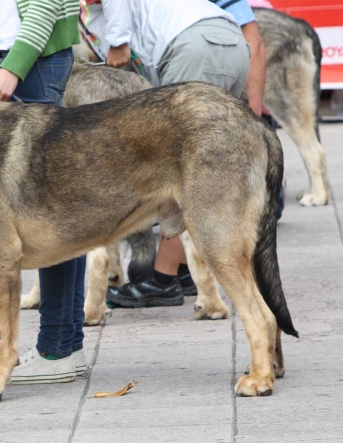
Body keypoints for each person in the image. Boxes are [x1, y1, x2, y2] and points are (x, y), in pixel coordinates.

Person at [80, 0, 259, 308]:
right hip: (232, 43)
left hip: (194, 47)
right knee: (202, 172)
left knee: (175, 171)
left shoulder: (110, 9)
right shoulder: (101, 12)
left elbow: (120, 40)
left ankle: (162, 281)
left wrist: (118, 44)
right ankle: (186, 271)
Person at [0, 0, 87, 384]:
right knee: (59, 211)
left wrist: (12, 68)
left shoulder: (20, 64)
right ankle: (65, 344)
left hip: (30, 61)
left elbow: (44, 5)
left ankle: (55, 349)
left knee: (47, 216)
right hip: (30, 59)